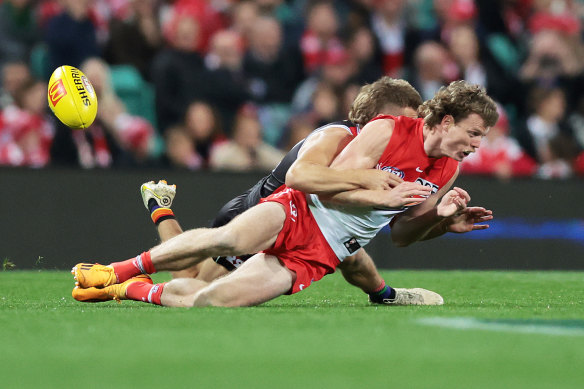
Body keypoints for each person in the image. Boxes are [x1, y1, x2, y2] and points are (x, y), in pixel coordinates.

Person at [72, 80, 497, 308]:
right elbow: (316, 185)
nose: (477, 145)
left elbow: (402, 233)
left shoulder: (449, 167)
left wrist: (441, 221)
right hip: (292, 207)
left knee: (211, 300)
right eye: (474, 133)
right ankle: (118, 270)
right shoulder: (378, 132)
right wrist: (374, 190)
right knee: (220, 246)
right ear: (444, 121)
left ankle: (130, 289)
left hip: (323, 251)